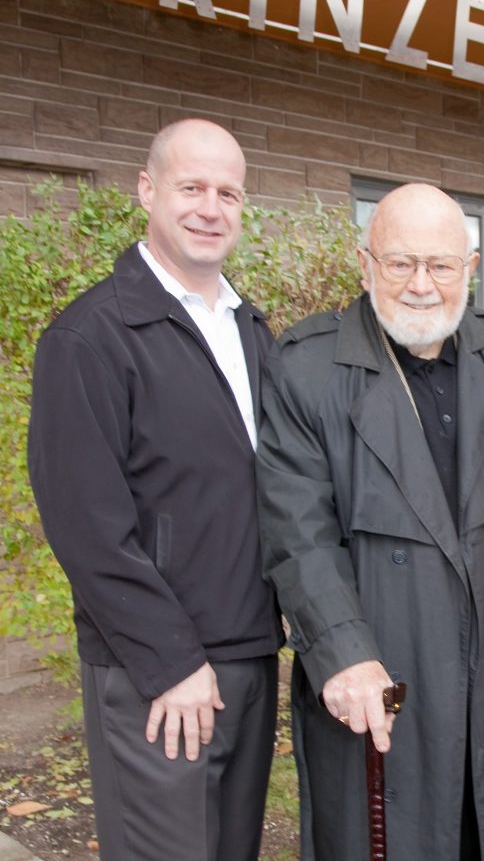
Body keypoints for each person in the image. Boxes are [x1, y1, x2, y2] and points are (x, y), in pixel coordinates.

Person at [256, 182, 484, 860]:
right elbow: (298, 531)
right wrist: (344, 652)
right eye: (400, 263)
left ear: (470, 271)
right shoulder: (308, 368)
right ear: (365, 265)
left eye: (440, 265)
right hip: (379, 668)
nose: (421, 285)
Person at [28, 119, 283, 861]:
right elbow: (84, 524)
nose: (211, 207)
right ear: (147, 190)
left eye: (228, 192)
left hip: (249, 653)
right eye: (191, 187)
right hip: (156, 671)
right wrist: (171, 662)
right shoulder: (90, 338)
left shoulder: (252, 330)